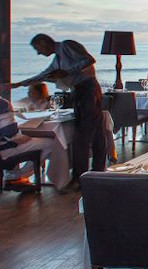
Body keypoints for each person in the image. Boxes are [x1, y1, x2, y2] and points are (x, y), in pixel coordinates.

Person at [7, 34, 104, 191]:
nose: (38, 53)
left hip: (88, 90)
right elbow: (43, 75)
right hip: (79, 91)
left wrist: (66, 72)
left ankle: (81, 178)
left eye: (37, 48)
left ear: (43, 42)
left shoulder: (67, 45)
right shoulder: (57, 60)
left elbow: (89, 60)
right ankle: (95, 173)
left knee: (82, 136)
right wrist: (19, 84)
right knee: (95, 133)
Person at [0, 68, 69, 191]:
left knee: (16, 143)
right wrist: (24, 137)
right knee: (52, 142)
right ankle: (17, 176)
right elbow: (11, 135)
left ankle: (12, 175)